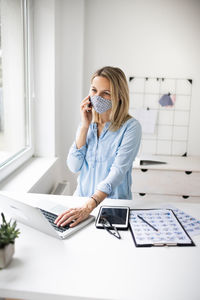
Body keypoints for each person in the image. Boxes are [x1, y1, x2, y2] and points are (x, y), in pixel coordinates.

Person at [54, 66, 142, 228]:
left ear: (119, 96)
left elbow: (118, 171)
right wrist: (84, 126)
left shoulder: (131, 127)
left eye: (106, 93)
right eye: (94, 90)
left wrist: (91, 204)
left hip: (112, 205)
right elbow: (74, 166)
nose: (97, 97)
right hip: (81, 201)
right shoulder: (87, 125)